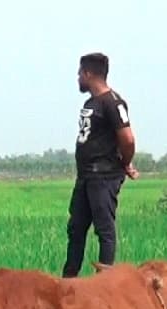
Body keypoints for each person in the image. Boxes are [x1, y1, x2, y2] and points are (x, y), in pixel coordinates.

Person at [63, 52, 138, 278]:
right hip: (86, 177)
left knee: (104, 230)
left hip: (104, 177)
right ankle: (68, 281)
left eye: (79, 73)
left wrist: (125, 162)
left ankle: (105, 282)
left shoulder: (113, 103)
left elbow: (128, 139)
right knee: (76, 229)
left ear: (88, 74)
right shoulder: (91, 103)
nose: (77, 78)